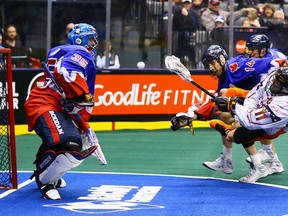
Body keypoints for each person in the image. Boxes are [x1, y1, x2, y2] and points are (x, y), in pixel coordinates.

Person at [170, 40, 286, 182]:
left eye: (213, 63)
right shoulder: (223, 76)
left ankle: (258, 165)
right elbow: (216, 101)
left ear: (222, 59)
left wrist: (282, 64)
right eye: (208, 65)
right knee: (228, 111)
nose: (211, 67)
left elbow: (262, 64)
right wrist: (193, 115)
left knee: (240, 123)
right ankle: (265, 161)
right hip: (255, 98)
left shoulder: (237, 66)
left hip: (266, 100)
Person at [24, 23, 106, 200]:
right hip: (44, 104)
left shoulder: (61, 51)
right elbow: (67, 69)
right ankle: (45, 180)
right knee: (70, 143)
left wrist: (84, 126)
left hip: (50, 104)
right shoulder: (80, 52)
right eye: (91, 39)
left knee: (73, 139)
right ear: (80, 39)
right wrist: (81, 95)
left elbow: (68, 96)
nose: (94, 44)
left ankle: (43, 168)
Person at [210, 65, 288, 182]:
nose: (274, 83)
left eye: (278, 83)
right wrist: (242, 108)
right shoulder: (275, 77)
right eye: (276, 79)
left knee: (233, 135)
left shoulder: (284, 106)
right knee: (228, 93)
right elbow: (255, 94)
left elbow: (252, 121)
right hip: (263, 110)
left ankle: (262, 163)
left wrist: (232, 106)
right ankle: (272, 161)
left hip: (275, 127)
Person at [172, 0, 204, 68]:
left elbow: (198, 25)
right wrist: (181, 12)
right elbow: (174, 26)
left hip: (192, 34)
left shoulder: (194, 13)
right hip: (180, 34)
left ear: (191, 4)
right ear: (182, 4)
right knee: (184, 35)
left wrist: (188, 15)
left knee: (186, 36)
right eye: (185, 3)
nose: (187, 5)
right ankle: (184, 53)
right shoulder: (178, 12)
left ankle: (183, 54)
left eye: (188, 3)